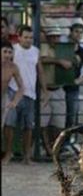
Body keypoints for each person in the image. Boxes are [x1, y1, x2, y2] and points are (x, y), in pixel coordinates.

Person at [4, 25, 49, 165]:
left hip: (30, 93)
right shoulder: (13, 50)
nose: (29, 40)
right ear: (19, 37)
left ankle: (27, 156)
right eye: (26, 37)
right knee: (9, 124)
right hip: (13, 90)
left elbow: (40, 71)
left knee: (28, 126)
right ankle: (8, 154)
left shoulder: (35, 51)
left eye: (30, 37)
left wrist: (45, 91)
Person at [40, 27, 71, 157]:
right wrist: (58, 61)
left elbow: (71, 61)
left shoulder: (63, 49)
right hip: (45, 88)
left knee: (59, 123)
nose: (55, 39)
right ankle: (48, 149)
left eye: (57, 36)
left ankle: (54, 149)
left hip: (59, 88)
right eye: (52, 36)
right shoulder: (44, 47)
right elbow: (41, 59)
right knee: (43, 122)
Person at [63, 18, 83, 129]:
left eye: (81, 32)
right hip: (58, 87)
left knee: (71, 116)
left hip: (73, 89)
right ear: (71, 32)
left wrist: (78, 81)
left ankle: (67, 142)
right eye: (76, 31)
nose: (78, 34)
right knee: (57, 117)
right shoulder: (61, 48)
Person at [2, 39, 25, 149]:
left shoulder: (13, 67)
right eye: (5, 51)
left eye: (10, 52)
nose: (7, 55)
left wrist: (15, 101)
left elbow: (21, 87)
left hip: (3, 98)